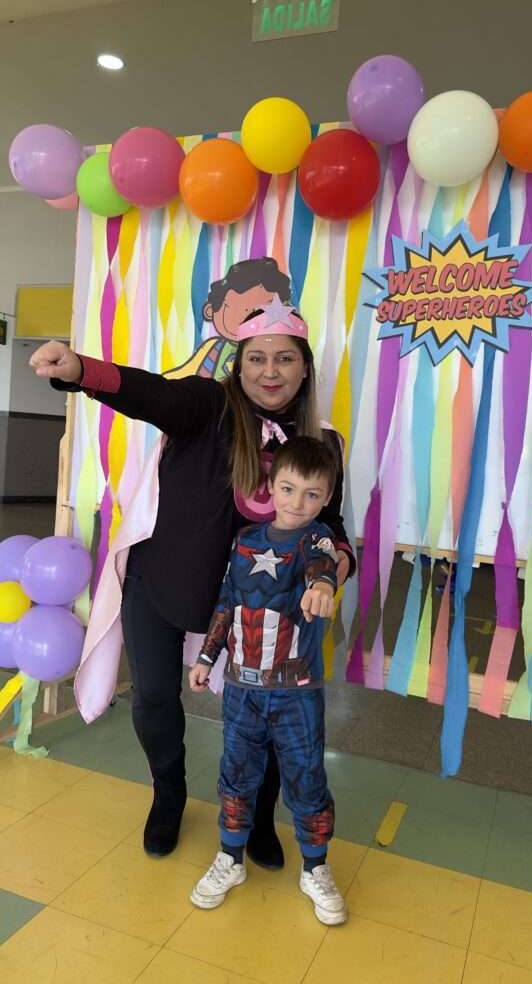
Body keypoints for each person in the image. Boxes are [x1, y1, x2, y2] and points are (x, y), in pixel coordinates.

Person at [29, 294, 355, 868]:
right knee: (155, 697)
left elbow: (331, 526)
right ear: (239, 364)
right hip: (164, 580)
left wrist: (332, 574)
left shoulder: (322, 441)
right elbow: (150, 393)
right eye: (256, 358)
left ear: (305, 368)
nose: (270, 371)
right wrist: (79, 370)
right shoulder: (208, 406)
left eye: (284, 358)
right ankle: (168, 792)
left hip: (261, 607)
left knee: (268, 714)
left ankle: (259, 816)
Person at [189, 435, 347, 926]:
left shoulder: (317, 540)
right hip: (241, 690)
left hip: (297, 693)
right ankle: (230, 858)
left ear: (326, 497)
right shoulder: (244, 541)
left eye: (312, 494)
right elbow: (226, 603)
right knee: (236, 774)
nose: (298, 503)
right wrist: (207, 657)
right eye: (288, 489)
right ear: (271, 486)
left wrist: (323, 584)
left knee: (307, 777)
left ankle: (315, 868)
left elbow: (324, 565)